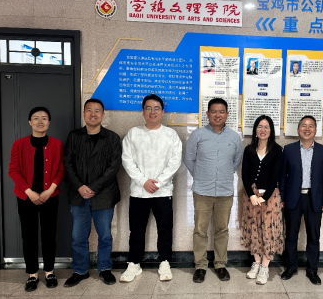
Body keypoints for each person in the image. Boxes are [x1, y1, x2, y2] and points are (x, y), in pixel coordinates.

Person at [121, 94, 183, 283]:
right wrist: (143, 181)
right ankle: (134, 263)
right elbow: (127, 160)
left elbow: (175, 161)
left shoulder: (171, 135)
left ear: (162, 112)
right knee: (136, 230)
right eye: (148, 108)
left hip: (162, 192)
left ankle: (164, 262)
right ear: (143, 111)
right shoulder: (133, 133)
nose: (152, 112)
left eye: (156, 108)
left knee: (165, 229)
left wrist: (158, 182)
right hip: (139, 192)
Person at [63, 99, 122, 288]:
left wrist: (94, 187)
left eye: (97, 111)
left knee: (105, 235)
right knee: (78, 237)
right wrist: (80, 186)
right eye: (89, 110)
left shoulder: (112, 138)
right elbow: (67, 164)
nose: (93, 114)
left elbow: (114, 167)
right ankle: (80, 270)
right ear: (84, 113)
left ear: (103, 115)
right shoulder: (74, 136)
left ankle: (105, 268)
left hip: (104, 195)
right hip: (78, 195)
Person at [185, 98, 243, 284]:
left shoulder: (234, 137)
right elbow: (189, 159)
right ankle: (200, 266)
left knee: (222, 229)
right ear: (207, 114)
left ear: (227, 114)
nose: (218, 115)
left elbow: (236, 161)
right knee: (200, 230)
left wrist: (223, 175)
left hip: (225, 192)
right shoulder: (197, 135)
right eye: (214, 111)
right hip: (202, 191)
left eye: (221, 111)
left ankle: (220, 264)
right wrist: (202, 176)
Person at [8, 107, 65, 292]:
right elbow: (13, 170)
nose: (40, 121)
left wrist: (50, 190)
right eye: (36, 118)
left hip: (51, 195)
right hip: (26, 197)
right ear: (29, 122)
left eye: (44, 118)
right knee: (29, 235)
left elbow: (61, 169)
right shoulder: (19, 144)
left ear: (49, 122)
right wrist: (29, 192)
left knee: (49, 235)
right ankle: (32, 274)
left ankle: (49, 271)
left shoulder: (56, 144)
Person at [280, 116, 323, 286]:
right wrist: (282, 198)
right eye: (304, 126)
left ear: (315, 131)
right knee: (291, 235)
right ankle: (291, 266)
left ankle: (312, 269)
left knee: (313, 236)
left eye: (311, 126)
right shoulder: (288, 150)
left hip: (314, 199)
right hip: (293, 198)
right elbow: (282, 176)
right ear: (298, 130)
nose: (307, 129)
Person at [241, 115, 283, 286]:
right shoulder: (249, 149)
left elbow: (275, 176)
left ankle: (265, 266)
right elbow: (245, 174)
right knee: (254, 229)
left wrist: (264, 197)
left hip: (270, 197)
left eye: (266, 127)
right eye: (260, 126)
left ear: (271, 130)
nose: (263, 130)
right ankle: (256, 263)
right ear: (255, 130)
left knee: (268, 230)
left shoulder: (277, 150)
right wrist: (252, 195)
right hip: (250, 198)